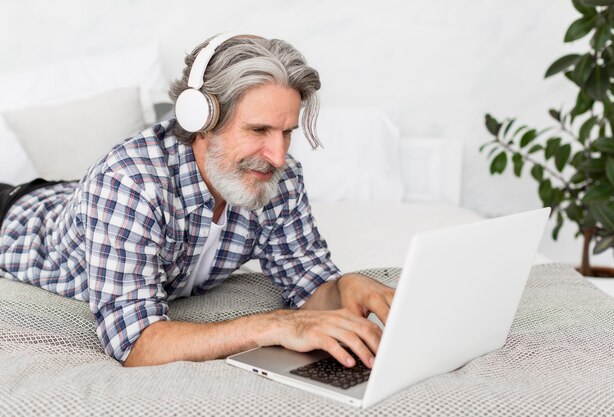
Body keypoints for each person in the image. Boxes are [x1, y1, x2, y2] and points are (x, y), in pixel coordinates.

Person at [0, 34, 394, 369]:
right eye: (258, 129)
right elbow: (135, 343)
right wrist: (273, 325)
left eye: (286, 132)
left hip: (75, 197)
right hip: (13, 216)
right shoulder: (129, 182)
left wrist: (344, 285)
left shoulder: (279, 176)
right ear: (199, 119)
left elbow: (308, 281)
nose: (277, 155)